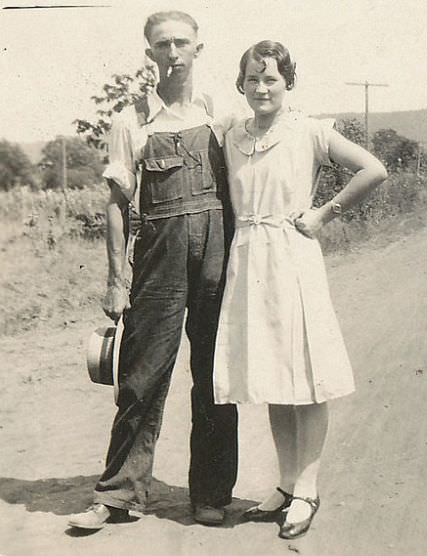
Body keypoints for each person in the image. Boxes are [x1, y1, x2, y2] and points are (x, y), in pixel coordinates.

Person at [68, 11, 238, 530]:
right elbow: (117, 205)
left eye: (181, 43)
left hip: (216, 253)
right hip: (159, 260)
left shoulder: (222, 114)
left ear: (198, 49)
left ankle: (209, 494)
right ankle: (119, 494)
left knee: (214, 376)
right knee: (140, 377)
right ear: (150, 53)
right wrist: (116, 280)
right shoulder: (131, 120)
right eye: (162, 44)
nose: (172, 53)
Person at [212, 40, 387, 539]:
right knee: (272, 375)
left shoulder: (310, 131)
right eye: (252, 79)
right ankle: (285, 485)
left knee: (305, 376)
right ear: (240, 85)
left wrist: (324, 213)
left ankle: (308, 487)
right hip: (247, 259)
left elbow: (374, 169)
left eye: (271, 78)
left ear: (289, 83)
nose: (261, 87)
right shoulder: (232, 133)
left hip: (291, 254)